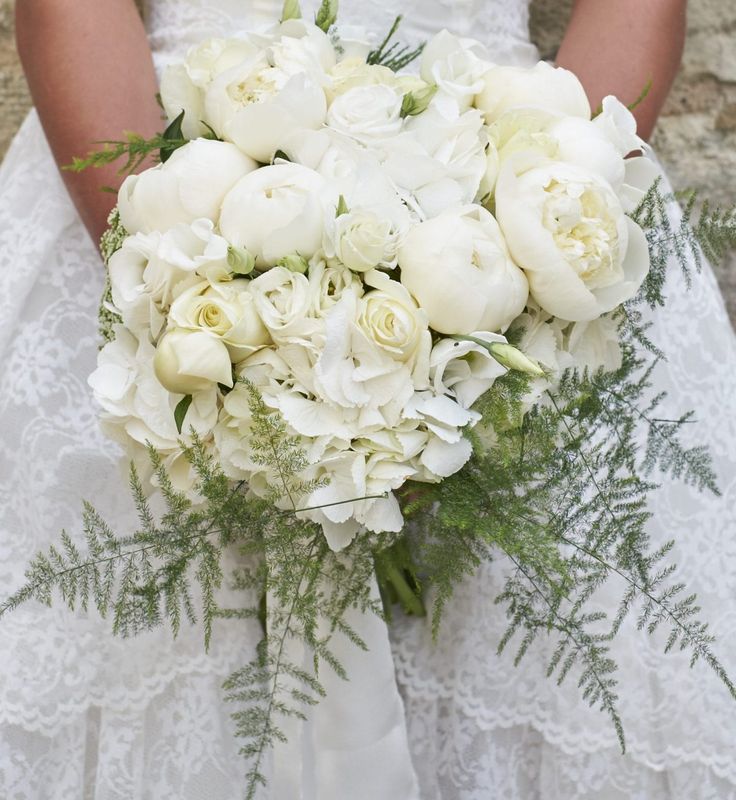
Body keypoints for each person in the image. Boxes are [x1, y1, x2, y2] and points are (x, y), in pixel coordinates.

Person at [1, 0, 734, 797]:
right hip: (160, 165)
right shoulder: (170, 253)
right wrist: (182, 282)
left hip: (504, 179)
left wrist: (541, 250)